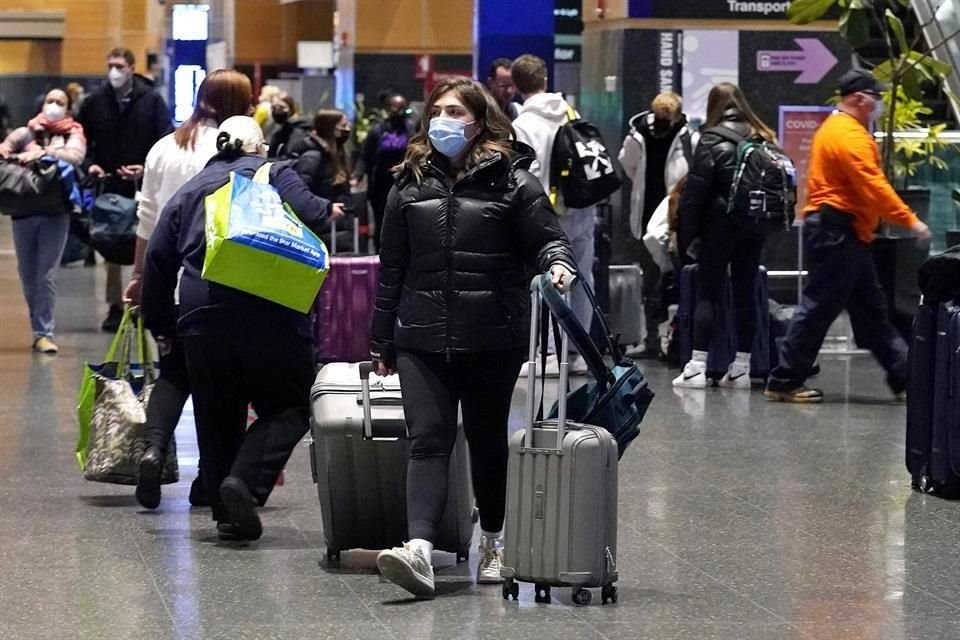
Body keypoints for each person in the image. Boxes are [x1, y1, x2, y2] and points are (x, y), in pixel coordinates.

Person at [369, 77, 577, 599]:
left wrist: (557, 266)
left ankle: (494, 540)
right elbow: (391, 266)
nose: (444, 120)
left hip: (492, 334)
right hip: (420, 333)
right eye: (437, 110)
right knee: (428, 439)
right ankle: (418, 549)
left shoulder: (514, 182)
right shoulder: (408, 184)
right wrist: (381, 339)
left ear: (480, 120)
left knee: (487, 441)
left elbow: (549, 240)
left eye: (456, 111)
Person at [141, 116, 344, 540]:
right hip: (272, 310)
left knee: (217, 414)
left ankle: (226, 511)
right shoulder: (274, 172)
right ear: (259, 147)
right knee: (292, 404)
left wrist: (162, 323)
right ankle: (244, 484)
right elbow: (313, 215)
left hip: (202, 313)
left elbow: (158, 260)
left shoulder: (190, 190)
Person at [124, 69, 255, 511]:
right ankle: (211, 479)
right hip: (225, 284)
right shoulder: (238, 152)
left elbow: (147, 221)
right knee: (224, 386)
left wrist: (139, 277)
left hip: (171, 281)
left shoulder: (165, 147)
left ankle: (153, 450)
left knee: (175, 372)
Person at [765, 69, 931, 403]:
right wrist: (908, 220)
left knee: (872, 311)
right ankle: (784, 381)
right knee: (818, 309)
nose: (879, 104)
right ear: (860, 98)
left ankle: (905, 377)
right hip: (837, 233)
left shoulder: (838, 129)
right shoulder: (849, 134)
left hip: (844, 233)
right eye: (876, 98)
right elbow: (871, 183)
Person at [672, 83, 778, 390]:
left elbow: (694, 194)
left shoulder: (711, 139)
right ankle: (742, 368)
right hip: (754, 225)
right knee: (746, 292)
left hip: (718, 226)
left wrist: (688, 236)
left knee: (709, 292)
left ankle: (697, 366)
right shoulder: (762, 136)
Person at [78, 47, 173, 333]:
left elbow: (164, 139)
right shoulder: (95, 102)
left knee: (143, 243)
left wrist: (147, 168)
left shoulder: (152, 101)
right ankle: (115, 306)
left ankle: (141, 301)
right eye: (110, 65)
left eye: (119, 65)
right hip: (109, 183)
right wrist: (89, 165)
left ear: (132, 68)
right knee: (111, 246)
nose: (114, 71)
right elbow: (82, 141)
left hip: (144, 183)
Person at [511, 54, 593, 374]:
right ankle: (579, 352)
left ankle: (548, 354)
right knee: (579, 277)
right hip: (581, 206)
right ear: (545, 79)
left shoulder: (522, 125)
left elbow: (521, 172)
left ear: (517, 87)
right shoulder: (572, 113)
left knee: (547, 280)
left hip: (543, 212)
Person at [0, 89, 86, 354]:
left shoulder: (73, 133)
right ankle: (38, 325)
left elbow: (75, 156)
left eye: (60, 102)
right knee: (28, 274)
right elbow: (3, 150)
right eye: (50, 100)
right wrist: (17, 155)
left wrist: (42, 154)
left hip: (55, 212)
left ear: (68, 108)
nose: (53, 106)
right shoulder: (24, 132)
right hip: (24, 210)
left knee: (46, 274)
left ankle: (43, 332)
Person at [619, 92, 698, 357]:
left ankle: (673, 336)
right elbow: (627, 164)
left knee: (675, 277)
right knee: (650, 278)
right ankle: (650, 337)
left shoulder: (689, 139)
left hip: (675, 217)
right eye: (660, 116)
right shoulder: (638, 135)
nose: (663, 122)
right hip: (646, 214)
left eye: (668, 117)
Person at [353, 92, 416, 251]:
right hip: (380, 183)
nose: (398, 111)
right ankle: (379, 253)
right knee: (381, 220)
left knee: (405, 220)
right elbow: (365, 155)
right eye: (394, 107)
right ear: (388, 109)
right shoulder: (377, 130)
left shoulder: (411, 129)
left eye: (401, 107)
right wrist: (358, 175)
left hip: (405, 182)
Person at [266, 92, 310, 159]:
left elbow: (290, 154)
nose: (277, 110)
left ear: (291, 108)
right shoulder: (280, 129)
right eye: (274, 107)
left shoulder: (298, 129)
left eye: (281, 107)